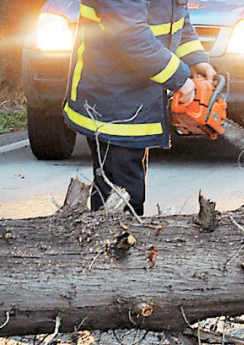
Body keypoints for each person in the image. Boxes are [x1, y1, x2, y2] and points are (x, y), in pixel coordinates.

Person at [63, 0, 216, 216]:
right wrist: (179, 77)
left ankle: (120, 242)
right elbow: (129, 36)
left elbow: (177, 18)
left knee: (127, 192)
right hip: (112, 102)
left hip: (135, 99)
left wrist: (195, 58)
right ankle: (112, 246)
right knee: (121, 201)